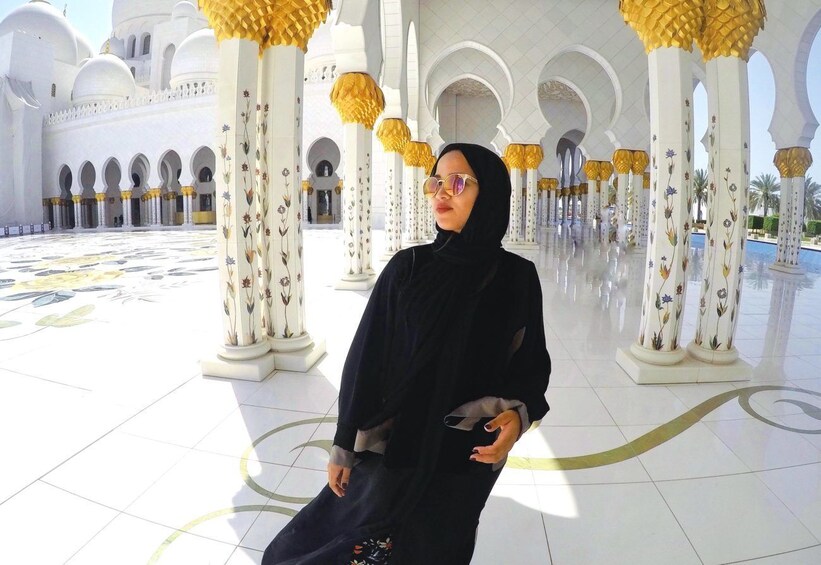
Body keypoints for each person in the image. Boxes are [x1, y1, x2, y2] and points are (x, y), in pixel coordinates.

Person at [262, 143, 551, 564]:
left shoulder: (518, 278)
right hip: (394, 448)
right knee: (347, 540)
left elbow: (531, 365)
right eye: (435, 182)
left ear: (489, 194)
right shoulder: (408, 268)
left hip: (464, 457)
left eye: (457, 182)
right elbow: (367, 358)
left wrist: (517, 416)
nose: (440, 193)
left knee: (437, 547)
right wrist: (344, 444)